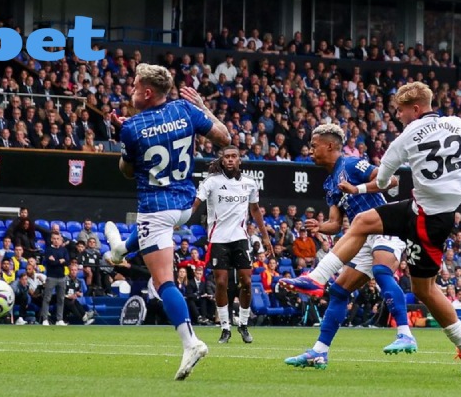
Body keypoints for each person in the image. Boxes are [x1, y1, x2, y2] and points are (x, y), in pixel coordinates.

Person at [311, 82, 461, 375]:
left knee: (424, 289)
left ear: (415, 109)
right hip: (423, 210)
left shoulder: (406, 136)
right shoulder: (457, 123)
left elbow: (386, 180)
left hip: (430, 220)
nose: (397, 116)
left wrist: (360, 186)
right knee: (363, 222)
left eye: (400, 111)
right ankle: (316, 278)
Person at [100, 64, 230, 380]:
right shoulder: (185, 109)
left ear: (147, 92)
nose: (129, 90)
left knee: (163, 282)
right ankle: (120, 249)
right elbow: (225, 138)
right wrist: (203, 108)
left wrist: (121, 139)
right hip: (186, 204)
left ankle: (191, 343)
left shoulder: (132, 128)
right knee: (144, 239)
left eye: (133, 86)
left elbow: (126, 170)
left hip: (156, 208)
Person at [281, 124, 414, 371]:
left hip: (386, 226)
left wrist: (358, 189)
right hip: (362, 237)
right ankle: (319, 353)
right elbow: (335, 223)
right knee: (340, 291)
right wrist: (320, 227)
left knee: (382, 271)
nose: (310, 150)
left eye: (314, 145)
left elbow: (390, 180)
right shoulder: (330, 183)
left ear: (329, 146)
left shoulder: (351, 164)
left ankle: (405, 333)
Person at [192, 145, 272, 343]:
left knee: (246, 282)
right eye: (226, 156)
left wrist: (265, 237)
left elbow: (255, 211)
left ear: (239, 160)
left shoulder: (249, 183)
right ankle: (225, 327)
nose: (229, 159)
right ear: (222, 160)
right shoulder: (211, 182)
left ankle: (243, 325)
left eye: (233, 156)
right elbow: (195, 203)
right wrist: (178, 220)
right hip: (218, 239)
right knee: (221, 283)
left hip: (240, 238)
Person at [40, 232, 69, 326]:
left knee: (61, 299)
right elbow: (50, 262)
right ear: (52, 239)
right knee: (47, 298)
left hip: (62, 277)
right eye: (54, 239)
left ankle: (59, 319)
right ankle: (45, 319)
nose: (56, 240)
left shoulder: (64, 250)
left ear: (60, 240)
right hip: (51, 277)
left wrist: (58, 261)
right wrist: (60, 261)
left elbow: (67, 261)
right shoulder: (48, 250)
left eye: (58, 239)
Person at [64, 260, 95, 325]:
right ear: (69, 271)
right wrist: (68, 296)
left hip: (72, 299)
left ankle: (84, 317)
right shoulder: (64, 279)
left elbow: (80, 292)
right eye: (72, 270)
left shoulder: (78, 281)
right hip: (63, 299)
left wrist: (78, 294)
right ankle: (84, 318)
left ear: (77, 271)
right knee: (71, 302)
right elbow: (60, 293)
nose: (73, 272)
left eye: (75, 270)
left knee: (75, 302)